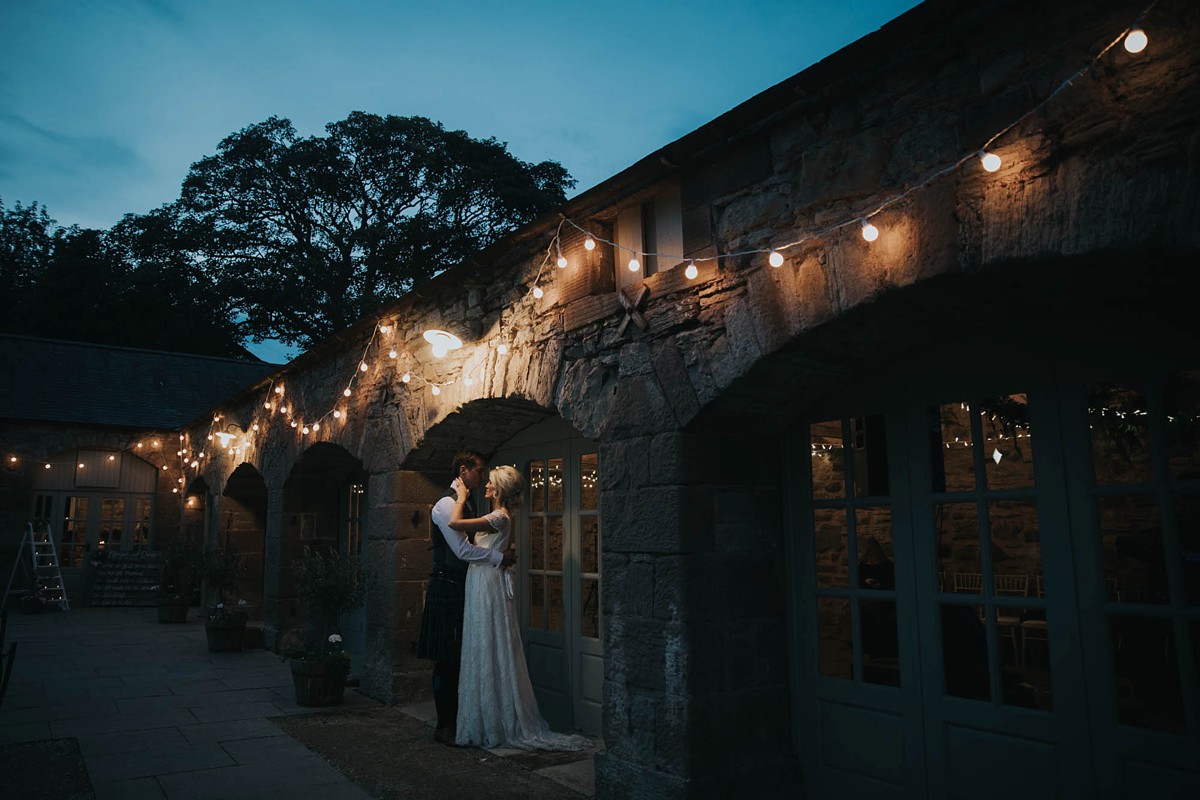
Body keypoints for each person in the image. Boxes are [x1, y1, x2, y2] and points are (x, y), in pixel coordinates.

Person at [447, 465, 588, 750]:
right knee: (482, 638)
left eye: (490, 483)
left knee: (489, 637)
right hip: (482, 577)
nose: (485, 485)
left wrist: (461, 497)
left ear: (499, 490)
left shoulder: (499, 517)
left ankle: (497, 719)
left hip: (487, 581)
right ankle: (486, 716)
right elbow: (498, 550)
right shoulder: (499, 516)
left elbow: (454, 524)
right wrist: (501, 555)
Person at [417, 450, 513, 746]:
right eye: (479, 471)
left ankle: (460, 719)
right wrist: (499, 557)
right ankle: (444, 725)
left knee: (459, 655)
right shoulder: (448, 503)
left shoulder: (467, 501)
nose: (482, 476)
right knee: (446, 658)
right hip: (446, 586)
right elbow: (462, 551)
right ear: (463, 469)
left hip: (461, 585)